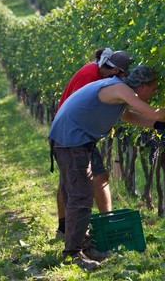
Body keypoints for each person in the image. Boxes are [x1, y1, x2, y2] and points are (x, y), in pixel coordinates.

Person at [48, 65, 165, 271]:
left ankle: (82, 246)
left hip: (72, 139)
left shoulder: (118, 92)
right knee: (81, 196)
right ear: (143, 85)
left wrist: (156, 126)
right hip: (71, 140)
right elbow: (151, 112)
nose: (155, 92)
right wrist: (158, 118)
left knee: (75, 195)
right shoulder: (121, 89)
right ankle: (73, 254)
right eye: (154, 88)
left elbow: (128, 116)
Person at [54, 48, 134, 241]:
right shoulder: (91, 76)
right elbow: (82, 108)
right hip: (74, 134)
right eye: (123, 75)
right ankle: (108, 225)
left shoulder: (96, 72)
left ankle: (64, 230)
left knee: (69, 180)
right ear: (115, 72)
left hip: (69, 133)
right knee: (98, 176)